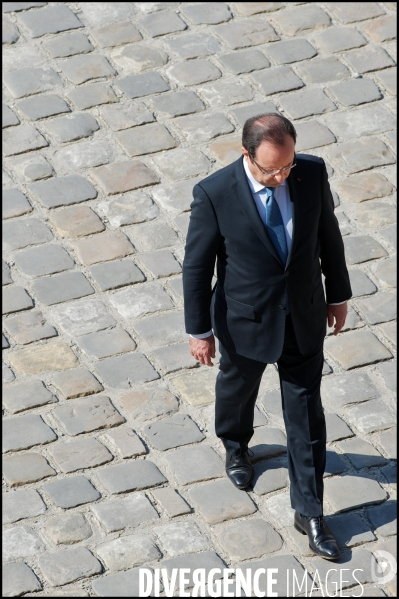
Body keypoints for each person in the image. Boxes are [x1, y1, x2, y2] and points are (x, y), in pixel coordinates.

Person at [182, 113, 352, 560]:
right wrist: (199, 330)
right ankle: (235, 445)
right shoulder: (215, 193)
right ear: (246, 155)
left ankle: (309, 511)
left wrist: (338, 294)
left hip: (304, 316)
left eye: (287, 166)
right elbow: (197, 267)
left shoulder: (311, 173)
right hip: (244, 321)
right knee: (238, 389)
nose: (281, 177)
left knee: (307, 415)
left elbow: (327, 233)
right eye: (271, 170)